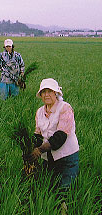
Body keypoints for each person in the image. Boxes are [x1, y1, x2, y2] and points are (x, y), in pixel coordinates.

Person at [26, 78, 79, 213]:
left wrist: (40, 149)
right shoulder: (39, 112)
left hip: (68, 156)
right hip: (49, 157)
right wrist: (31, 148)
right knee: (49, 187)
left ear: (56, 93)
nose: (46, 94)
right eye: (44, 92)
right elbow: (38, 134)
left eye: (50, 91)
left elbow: (60, 137)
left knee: (65, 191)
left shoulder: (65, 108)